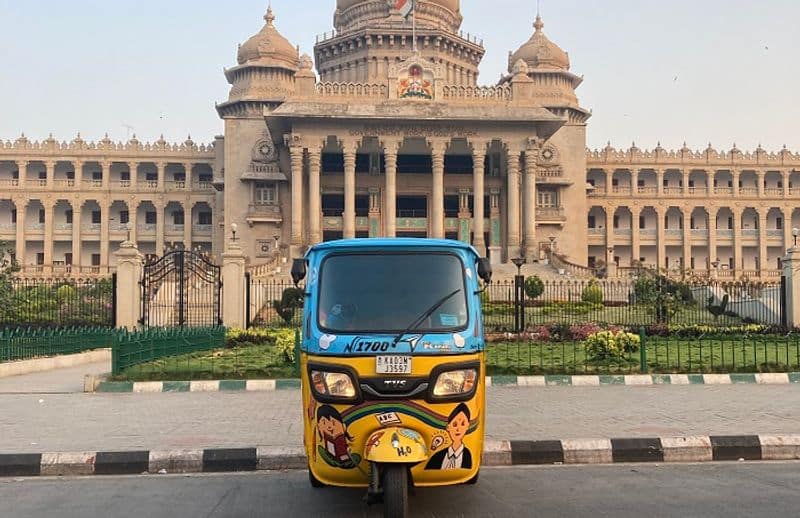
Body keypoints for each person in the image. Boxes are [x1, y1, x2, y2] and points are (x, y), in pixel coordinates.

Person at [425, 403, 473, 470]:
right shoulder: (437, 456)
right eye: (454, 424)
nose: (458, 429)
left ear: (467, 426)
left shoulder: (467, 455)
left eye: (462, 424)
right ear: (448, 427)